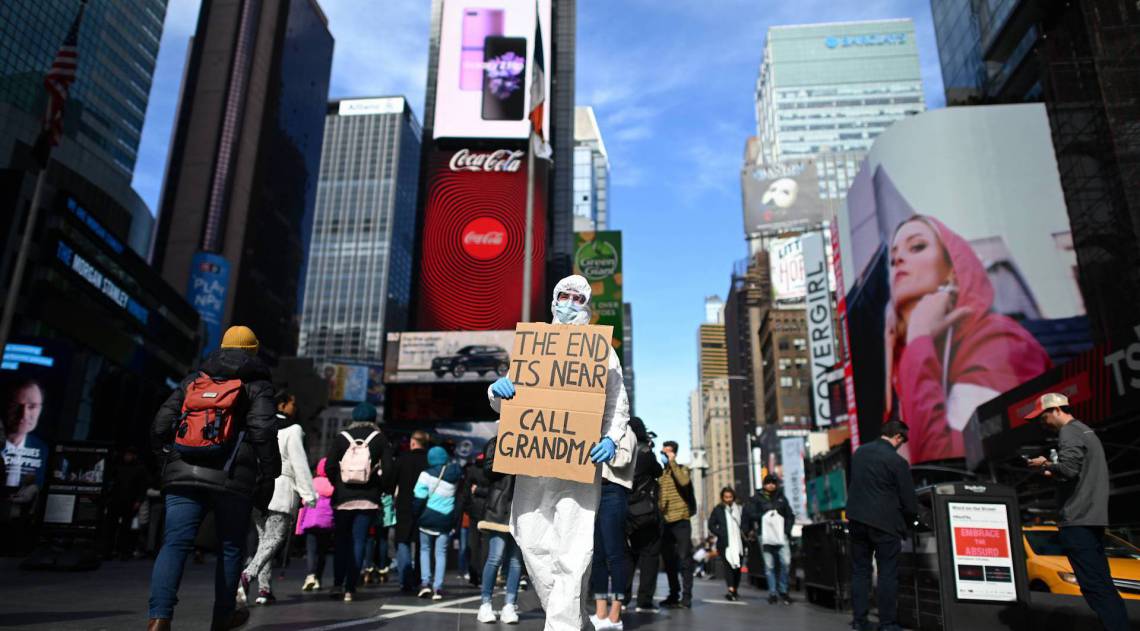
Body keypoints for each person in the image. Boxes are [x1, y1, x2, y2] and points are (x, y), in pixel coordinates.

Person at [488, 274, 630, 631]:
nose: (568, 303)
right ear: (553, 299)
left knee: (574, 545)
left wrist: (611, 438)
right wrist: (497, 391)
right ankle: (571, 616)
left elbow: (617, 402)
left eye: (577, 298)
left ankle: (561, 626)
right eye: (563, 295)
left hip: (580, 461)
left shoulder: (601, 349)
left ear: (587, 306)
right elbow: (511, 403)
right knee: (530, 538)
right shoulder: (534, 345)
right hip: (533, 461)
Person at [883, 215, 1050, 463]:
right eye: (892, 257)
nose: (898, 260)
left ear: (953, 269)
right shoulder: (910, 354)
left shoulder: (996, 338)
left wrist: (918, 338)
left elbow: (947, 463)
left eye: (917, 246)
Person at [147, 325, 280, 631]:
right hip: (233, 477)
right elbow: (263, 431)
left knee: (175, 544)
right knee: (231, 547)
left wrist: (166, 460)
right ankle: (223, 618)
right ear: (253, 351)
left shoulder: (194, 379)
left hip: (182, 472)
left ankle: (159, 617)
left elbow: (160, 424)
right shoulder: (258, 384)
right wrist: (270, 474)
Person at [1026, 393, 1129, 631]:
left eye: (1042, 418)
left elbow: (1070, 470)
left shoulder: (1069, 432)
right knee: (1103, 584)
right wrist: (1056, 471)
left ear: (1056, 410)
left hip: (1077, 519)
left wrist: (1044, 464)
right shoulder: (1085, 430)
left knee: (1094, 586)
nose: (1042, 424)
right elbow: (1075, 472)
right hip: (1092, 517)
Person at [238, 389, 316, 606]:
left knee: (265, 540)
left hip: (259, 488)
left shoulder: (260, 426)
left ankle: (264, 589)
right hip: (281, 488)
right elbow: (299, 462)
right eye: (292, 403)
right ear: (282, 404)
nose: (295, 407)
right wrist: (309, 495)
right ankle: (247, 575)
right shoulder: (293, 429)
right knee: (275, 539)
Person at [846, 420, 918, 631]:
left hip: (857, 520)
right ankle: (887, 623)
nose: (900, 446)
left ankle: (860, 621)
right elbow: (909, 501)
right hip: (885, 524)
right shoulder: (897, 462)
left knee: (860, 571)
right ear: (898, 437)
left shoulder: (860, 453)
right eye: (902, 441)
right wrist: (909, 520)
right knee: (887, 573)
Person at [324, 402, 393, 602]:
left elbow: (328, 466)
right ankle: (350, 588)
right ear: (373, 419)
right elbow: (388, 470)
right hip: (368, 499)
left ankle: (337, 584)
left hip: (342, 499)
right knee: (360, 540)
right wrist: (381, 488)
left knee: (341, 541)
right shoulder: (380, 439)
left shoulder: (341, 438)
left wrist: (338, 483)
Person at [590, 415, 636, 630]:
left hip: (613, 491)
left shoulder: (625, 432)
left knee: (615, 554)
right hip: (593, 491)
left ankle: (615, 613)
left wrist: (606, 448)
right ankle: (600, 611)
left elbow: (624, 460)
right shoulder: (594, 426)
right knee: (597, 554)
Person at [475, 436, 522, 624]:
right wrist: (511, 459)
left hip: (523, 506)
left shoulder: (534, 440)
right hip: (500, 505)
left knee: (516, 560)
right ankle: (485, 603)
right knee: (495, 557)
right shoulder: (498, 440)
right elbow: (487, 470)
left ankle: (510, 605)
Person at [622, 417, 663, 613]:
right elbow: (658, 471)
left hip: (624, 511)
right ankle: (644, 601)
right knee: (649, 556)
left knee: (626, 558)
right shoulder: (645, 452)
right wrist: (649, 447)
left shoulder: (620, 450)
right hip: (645, 512)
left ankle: (622, 599)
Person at [413, 445, 462, 600]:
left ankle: (425, 583)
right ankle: (438, 587)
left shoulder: (425, 475)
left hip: (427, 518)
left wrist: (416, 514)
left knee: (425, 550)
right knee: (441, 553)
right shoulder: (455, 473)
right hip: (446, 519)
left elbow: (419, 498)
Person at [389, 430, 430, 592]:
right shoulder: (429, 460)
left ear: (413, 442)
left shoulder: (402, 459)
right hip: (424, 505)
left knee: (403, 541)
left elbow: (391, 482)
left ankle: (405, 580)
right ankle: (420, 578)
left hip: (404, 505)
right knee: (422, 544)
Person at [744, 474, 795, 604]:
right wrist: (765, 516)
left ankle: (783, 590)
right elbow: (750, 514)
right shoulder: (756, 498)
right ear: (764, 484)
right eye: (768, 482)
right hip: (764, 535)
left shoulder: (782, 498)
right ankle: (773, 592)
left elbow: (790, 515)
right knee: (769, 565)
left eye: (773, 482)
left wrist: (787, 531)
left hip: (781, 535)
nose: (771, 485)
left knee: (786, 562)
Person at [657, 440, 694, 609]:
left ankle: (686, 598)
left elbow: (684, 482)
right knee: (669, 560)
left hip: (681, 520)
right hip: (665, 522)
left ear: (674, 454)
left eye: (667, 453)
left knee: (685, 559)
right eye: (663, 453)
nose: (664, 456)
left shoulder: (682, 469)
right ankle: (674, 594)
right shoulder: (662, 475)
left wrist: (672, 462)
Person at [103, 445, 150, 560]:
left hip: (129, 501)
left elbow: (142, 486)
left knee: (126, 528)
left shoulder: (140, 469)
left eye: (129, 455)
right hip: (116, 500)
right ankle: (108, 551)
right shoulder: (119, 467)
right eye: (126, 455)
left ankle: (123, 551)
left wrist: (139, 500)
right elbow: (112, 482)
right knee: (111, 527)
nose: (127, 457)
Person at [297, 458, 335, 592]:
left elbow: (303, 501)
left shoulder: (312, 482)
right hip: (326, 523)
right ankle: (318, 578)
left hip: (310, 522)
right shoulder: (333, 483)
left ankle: (310, 575)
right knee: (322, 552)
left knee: (311, 550)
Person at [3, 379, 48, 491]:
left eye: (32, 406)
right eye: (15, 405)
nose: (24, 414)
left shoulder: (44, 451)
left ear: (40, 409)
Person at [708, 487, 745, 601]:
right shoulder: (718, 509)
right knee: (728, 566)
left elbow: (745, 523)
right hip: (725, 544)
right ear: (722, 498)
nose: (728, 499)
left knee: (737, 568)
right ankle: (731, 589)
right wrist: (721, 533)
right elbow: (711, 524)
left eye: (730, 497)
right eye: (726, 497)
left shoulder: (739, 508)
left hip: (739, 543)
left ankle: (735, 588)